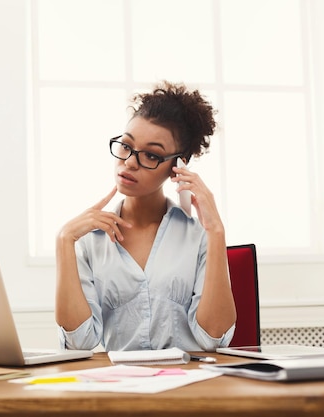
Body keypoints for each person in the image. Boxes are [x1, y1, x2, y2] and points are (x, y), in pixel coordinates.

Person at [55, 81, 236, 352]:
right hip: (118, 386)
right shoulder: (89, 240)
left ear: (177, 165)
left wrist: (216, 232)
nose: (129, 162)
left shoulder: (198, 236)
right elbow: (79, 342)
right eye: (126, 146)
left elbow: (213, 338)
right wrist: (64, 240)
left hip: (188, 384)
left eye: (151, 155)